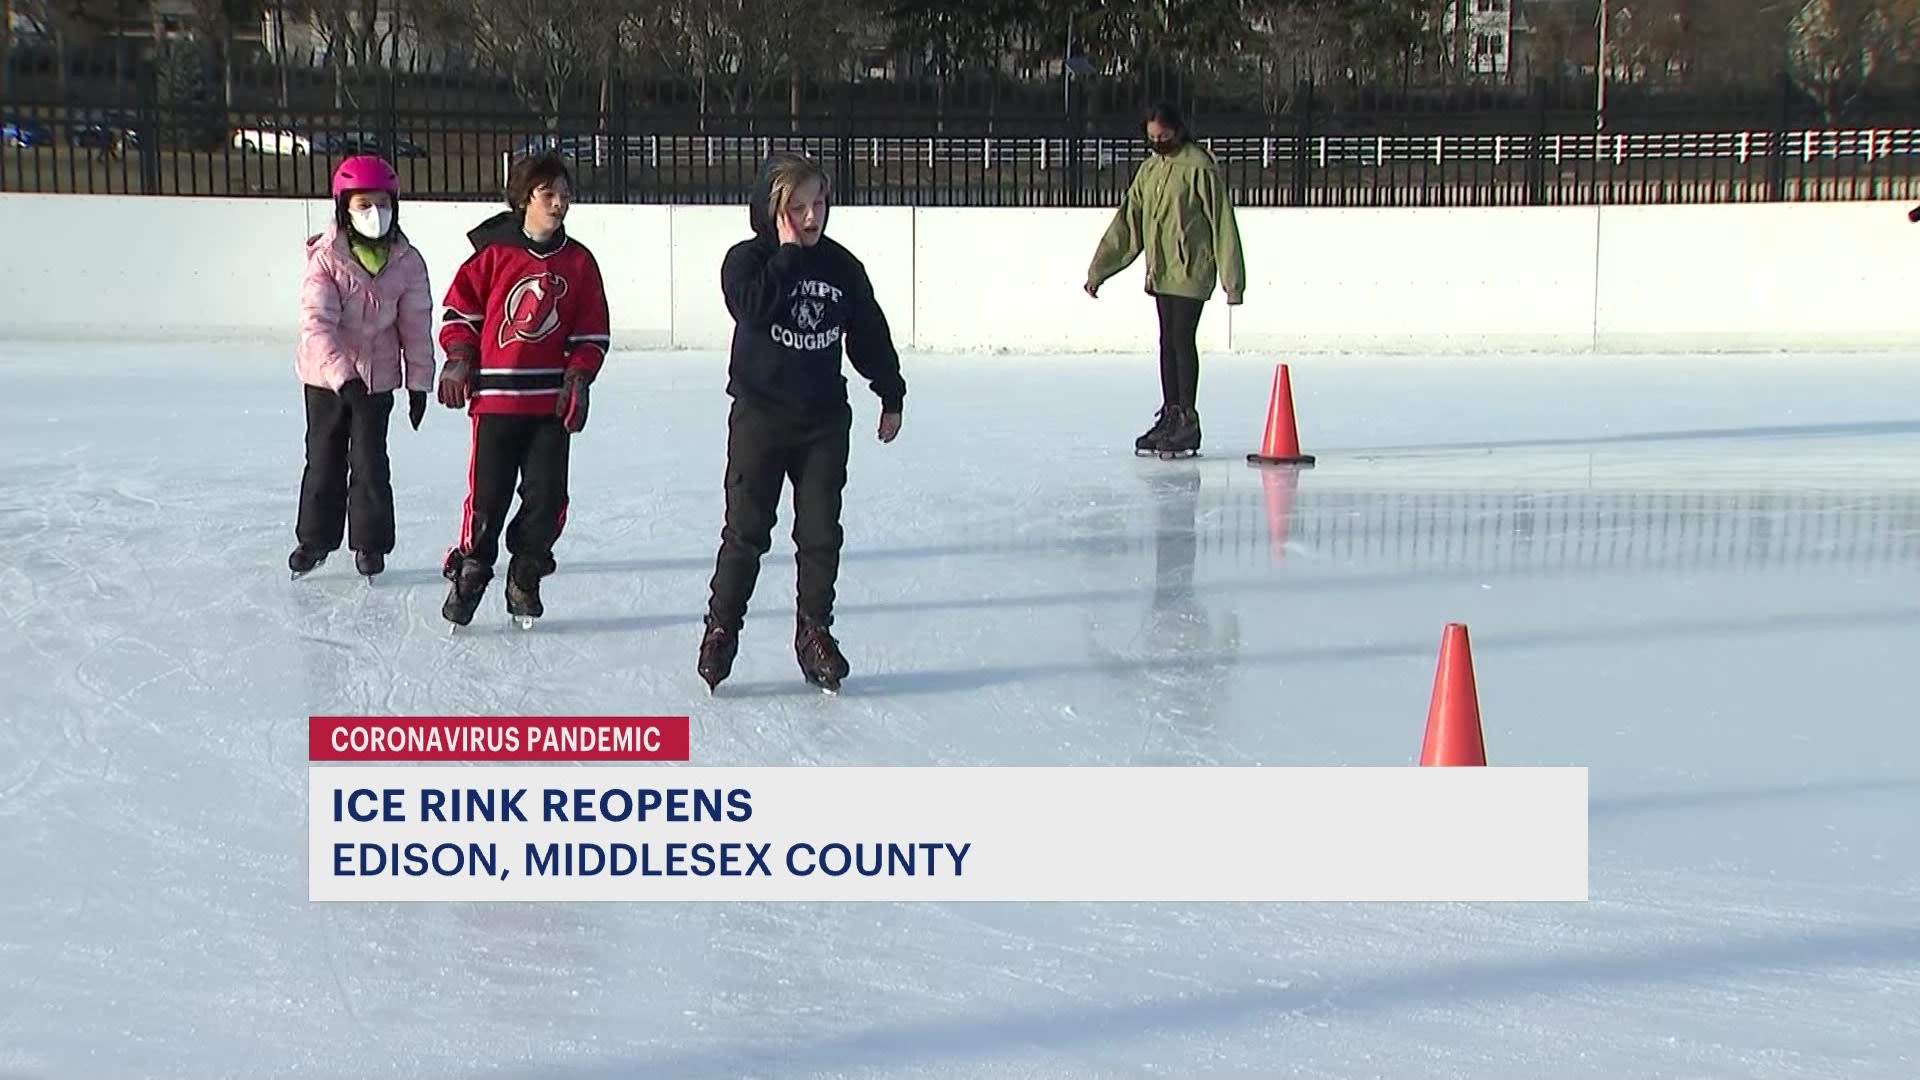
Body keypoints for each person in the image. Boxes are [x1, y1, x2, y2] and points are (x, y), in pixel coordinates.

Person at [698, 151, 906, 694]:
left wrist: (890, 391)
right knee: (746, 533)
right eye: (798, 207)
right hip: (761, 419)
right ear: (773, 209)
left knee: (819, 536)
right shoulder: (745, 261)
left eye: (819, 204)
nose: (812, 218)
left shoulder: (842, 267)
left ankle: (814, 632)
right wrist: (787, 255)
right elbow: (754, 309)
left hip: (822, 424)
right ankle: (722, 628)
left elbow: (869, 334)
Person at [434, 151, 609, 629]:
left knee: (548, 497)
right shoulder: (493, 255)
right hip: (495, 402)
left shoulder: (578, 264)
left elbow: (591, 332)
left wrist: (578, 377)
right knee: (487, 498)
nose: (559, 204)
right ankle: (471, 568)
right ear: (523, 199)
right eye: (548, 194)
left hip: (549, 406)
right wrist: (459, 359)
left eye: (565, 195)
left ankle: (527, 571)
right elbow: (460, 315)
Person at [290, 154, 434, 580]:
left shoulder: (407, 262)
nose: (376, 214)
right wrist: (342, 376)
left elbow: (416, 323)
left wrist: (419, 381)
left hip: (377, 380)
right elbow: (317, 325)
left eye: (383, 204)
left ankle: (370, 544)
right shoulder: (326, 259)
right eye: (363, 205)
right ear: (343, 208)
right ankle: (315, 539)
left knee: (371, 462)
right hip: (326, 382)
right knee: (324, 459)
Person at [1084, 102, 1246, 459]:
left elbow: (1222, 223)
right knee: (1166, 341)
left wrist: (1233, 281)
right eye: (1152, 137)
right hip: (1161, 271)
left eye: (1164, 136)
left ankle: (1187, 419)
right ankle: (1171, 413)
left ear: (1178, 129)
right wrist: (1100, 270)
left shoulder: (1199, 167)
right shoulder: (1149, 172)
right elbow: (1127, 225)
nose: (1157, 143)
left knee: (1180, 338)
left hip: (1191, 268)